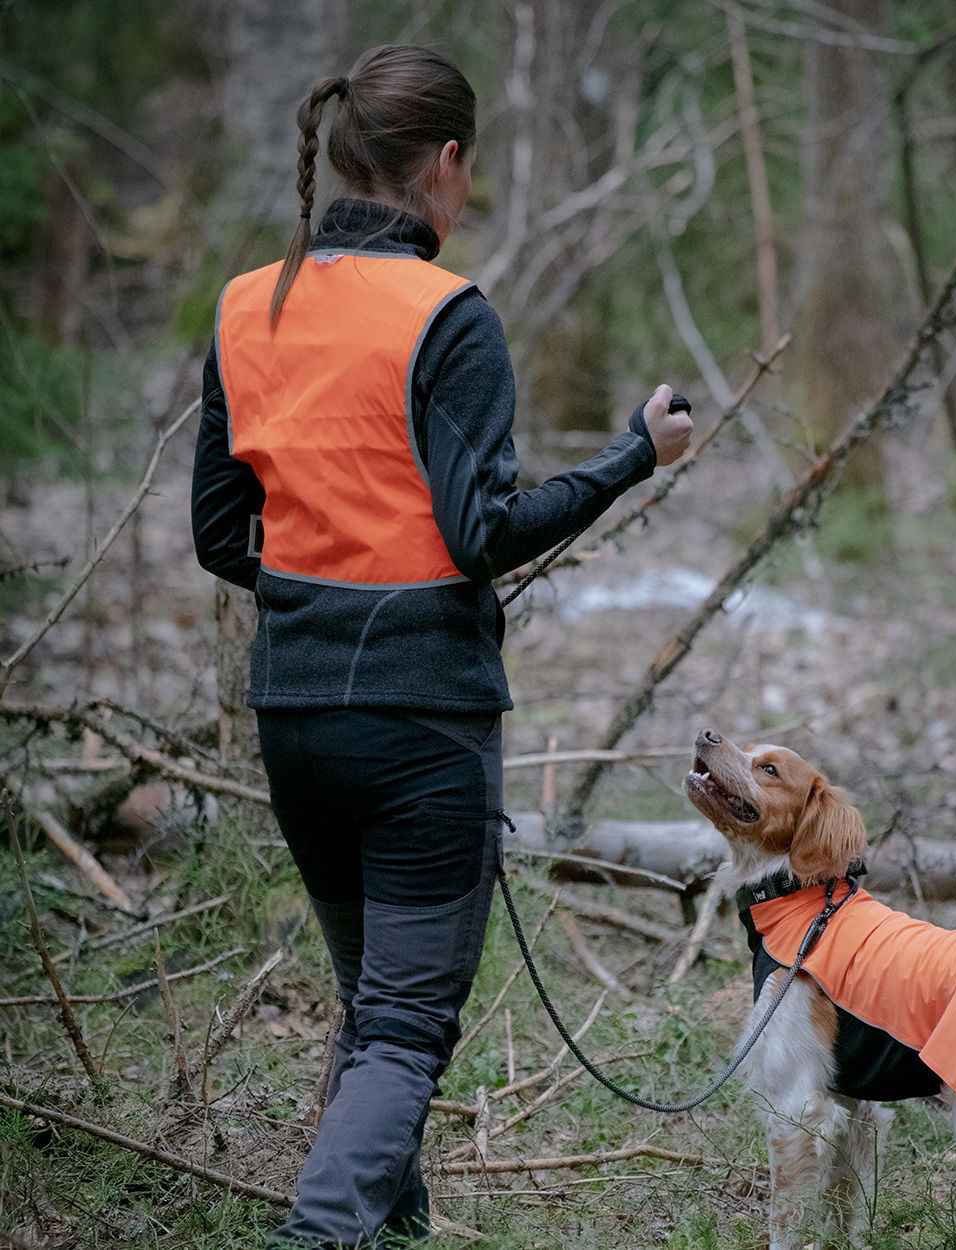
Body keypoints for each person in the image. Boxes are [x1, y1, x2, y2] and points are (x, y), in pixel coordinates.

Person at [190, 43, 693, 1250]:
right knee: (408, 1025)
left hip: (295, 715)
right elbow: (480, 536)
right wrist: (635, 454)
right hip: (420, 728)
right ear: (446, 163)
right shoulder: (447, 313)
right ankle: (320, 1235)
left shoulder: (245, 304)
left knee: (377, 1005)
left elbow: (219, 534)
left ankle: (393, 1220)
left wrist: (322, 597)